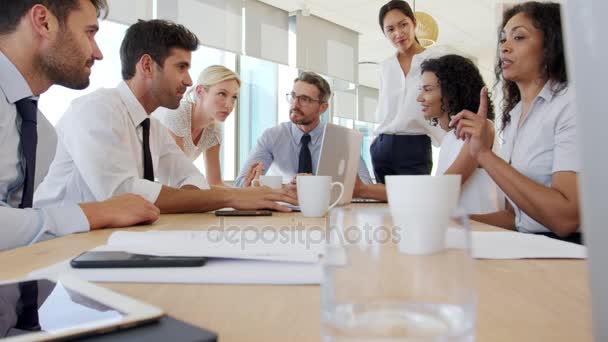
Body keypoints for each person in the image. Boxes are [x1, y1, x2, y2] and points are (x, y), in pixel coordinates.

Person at [34, 19, 297, 214]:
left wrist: (222, 196)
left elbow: (192, 179)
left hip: (106, 245)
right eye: (181, 67)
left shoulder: (152, 128)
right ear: (147, 66)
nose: (189, 80)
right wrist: (231, 197)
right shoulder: (97, 110)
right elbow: (124, 194)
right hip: (58, 252)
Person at [0, 0, 159, 251]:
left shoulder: (39, 129)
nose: (98, 53)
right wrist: (94, 214)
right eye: (89, 33)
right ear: (43, 21)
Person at [450, 2, 581, 243]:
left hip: (570, 250)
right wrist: (456, 221)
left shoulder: (570, 104)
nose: (505, 48)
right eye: (502, 40)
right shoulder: (515, 116)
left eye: (519, 37)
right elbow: (515, 218)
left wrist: (484, 155)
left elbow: (565, 220)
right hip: (530, 243)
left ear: (551, 45)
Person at [234, 71, 372, 188]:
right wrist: (287, 187)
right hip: (284, 214)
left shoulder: (341, 139)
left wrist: (319, 187)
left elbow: (365, 188)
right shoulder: (272, 136)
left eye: (305, 99)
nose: (295, 104)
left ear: (322, 108)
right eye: (293, 96)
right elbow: (241, 184)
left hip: (330, 213)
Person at [370, 0, 445, 184]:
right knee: (382, 206)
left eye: (403, 24)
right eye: (390, 29)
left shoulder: (435, 61)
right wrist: (375, 139)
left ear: (414, 23)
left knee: (413, 204)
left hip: (415, 144)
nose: (398, 33)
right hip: (382, 145)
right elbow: (383, 107)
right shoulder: (385, 66)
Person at [418, 54, 498, 215]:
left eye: (427, 90)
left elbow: (443, 187)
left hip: (481, 233)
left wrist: (367, 190)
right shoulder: (449, 138)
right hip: (457, 231)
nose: (419, 98)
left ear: (451, 91)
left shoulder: (482, 129)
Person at [154, 65, 240, 186]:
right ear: (200, 92)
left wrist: (251, 195)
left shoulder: (213, 129)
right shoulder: (178, 113)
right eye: (222, 94)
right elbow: (179, 178)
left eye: (234, 97)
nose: (229, 105)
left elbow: (215, 183)